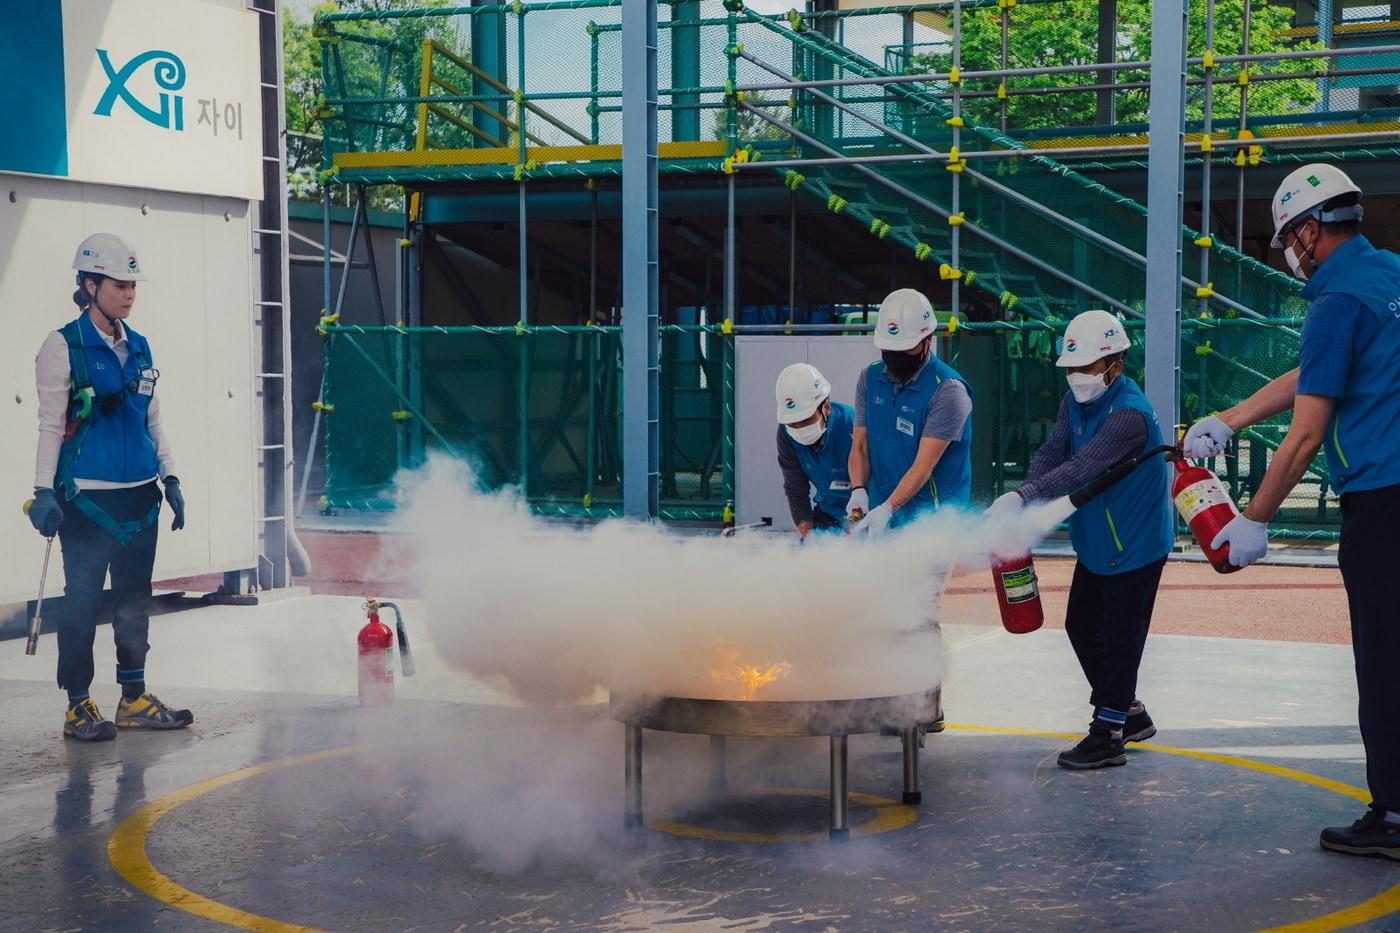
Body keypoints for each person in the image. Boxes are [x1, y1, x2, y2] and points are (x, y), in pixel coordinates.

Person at [1182, 163, 1400, 859]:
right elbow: (1320, 369)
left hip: (1382, 500)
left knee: (1385, 663)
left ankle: (1393, 814)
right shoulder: (1387, 273)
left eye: (1289, 240)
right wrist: (1231, 417)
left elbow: (1307, 431)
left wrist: (1255, 518)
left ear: (1311, 229)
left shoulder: (1336, 301)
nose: (1291, 253)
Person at [27, 233, 193, 742]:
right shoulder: (63, 345)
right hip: (87, 500)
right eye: (120, 285)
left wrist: (171, 477)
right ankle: (79, 704)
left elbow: (153, 420)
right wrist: (43, 492)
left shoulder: (139, 346)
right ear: (89, 284)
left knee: (133, 601)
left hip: (141, 496)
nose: (129, 295)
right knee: (81, 603)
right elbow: (51, 425)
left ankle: (134, 697)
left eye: (133, 286)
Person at [989, 309, 1173, 769]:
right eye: (1071, 368)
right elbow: (1054, 451)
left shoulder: (1129, 415)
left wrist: (1023, 494)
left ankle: (1108, 733)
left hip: (1135, 545)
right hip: (1096, 543)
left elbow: (1082, 467)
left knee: (1120, 638)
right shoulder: (1074, 403)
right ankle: (1128, 713)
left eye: (1087, 367)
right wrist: (1023, 499)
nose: (1077, 377)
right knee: (1080, 627)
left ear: (1115, 363)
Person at [847, 289, 973, 535]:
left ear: (929, 338)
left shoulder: (949, 390)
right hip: (883, 511)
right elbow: (860, 446)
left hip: (935, 519)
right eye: (889, 348)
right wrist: (858, 490)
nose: (897, 356)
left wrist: (887, 508)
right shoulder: (869, 377)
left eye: (906, 348)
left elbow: (923, 465)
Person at [774, 363, 853, 539]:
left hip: (866, 513)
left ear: (825, 407)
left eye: (806, 420)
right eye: (792, 423)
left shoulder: (853, 425)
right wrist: (808, 537)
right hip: (828, 513)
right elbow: (796, 490)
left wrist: (854, 528)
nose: (799, 428)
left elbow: (877, 484)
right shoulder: (786, 434)